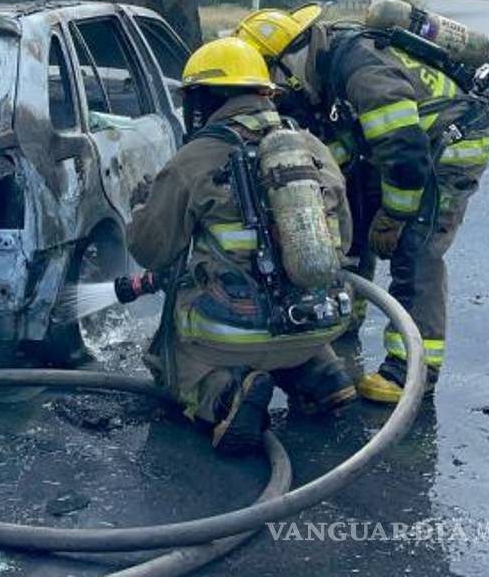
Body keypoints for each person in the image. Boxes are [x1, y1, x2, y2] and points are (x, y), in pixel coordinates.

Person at [235, 5, 489, 404]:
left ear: (284, 64)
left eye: (272, 83)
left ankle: (411, 370)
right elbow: (348, 143)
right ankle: (348, 317)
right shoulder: (327, 68)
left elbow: (405, 152)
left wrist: (394, 215)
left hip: (449, 148)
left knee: (417, 250)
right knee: (354, 208)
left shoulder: (359, 67)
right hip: (409, 147)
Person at [126, 37, 357, 455]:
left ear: (205, 98)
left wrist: (142, 206)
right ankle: (323, 375)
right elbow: (345, 238)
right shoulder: (312, 147)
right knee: (292, 317)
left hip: (234, 334)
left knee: (170, 356)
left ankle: (226, 398)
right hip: (318, 321)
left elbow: (151, 251)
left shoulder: (195, 158)